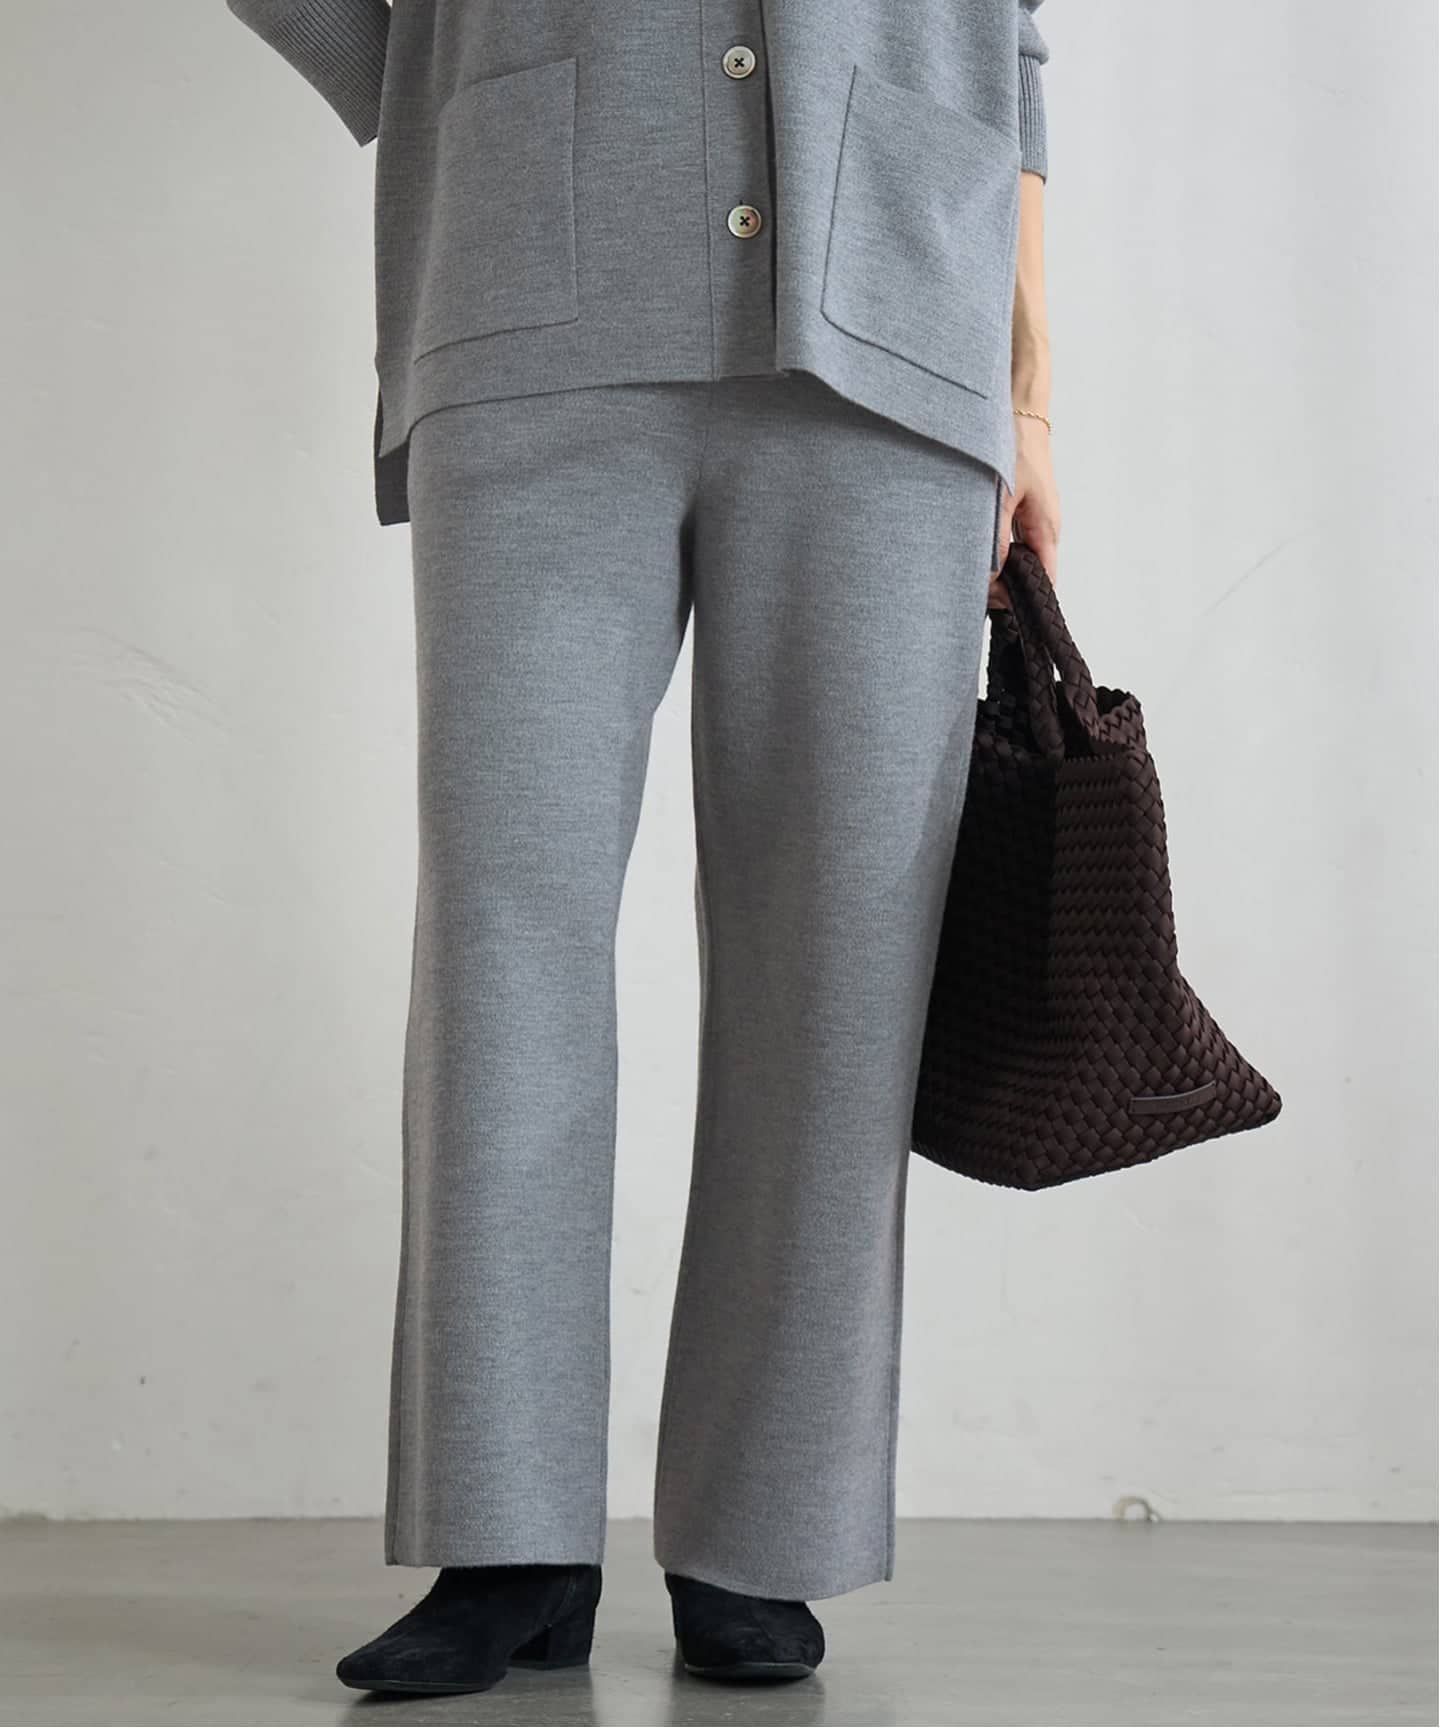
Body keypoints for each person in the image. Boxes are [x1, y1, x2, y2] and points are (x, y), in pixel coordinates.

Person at [226, 0, 1061, 1696]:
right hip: (533, 299)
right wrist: (464, 66)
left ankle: (766, 1537)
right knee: (506, 948)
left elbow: (1008, 37)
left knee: (841, 974)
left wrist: (1031, 406)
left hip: (894, 320)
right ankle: (505, 1538)